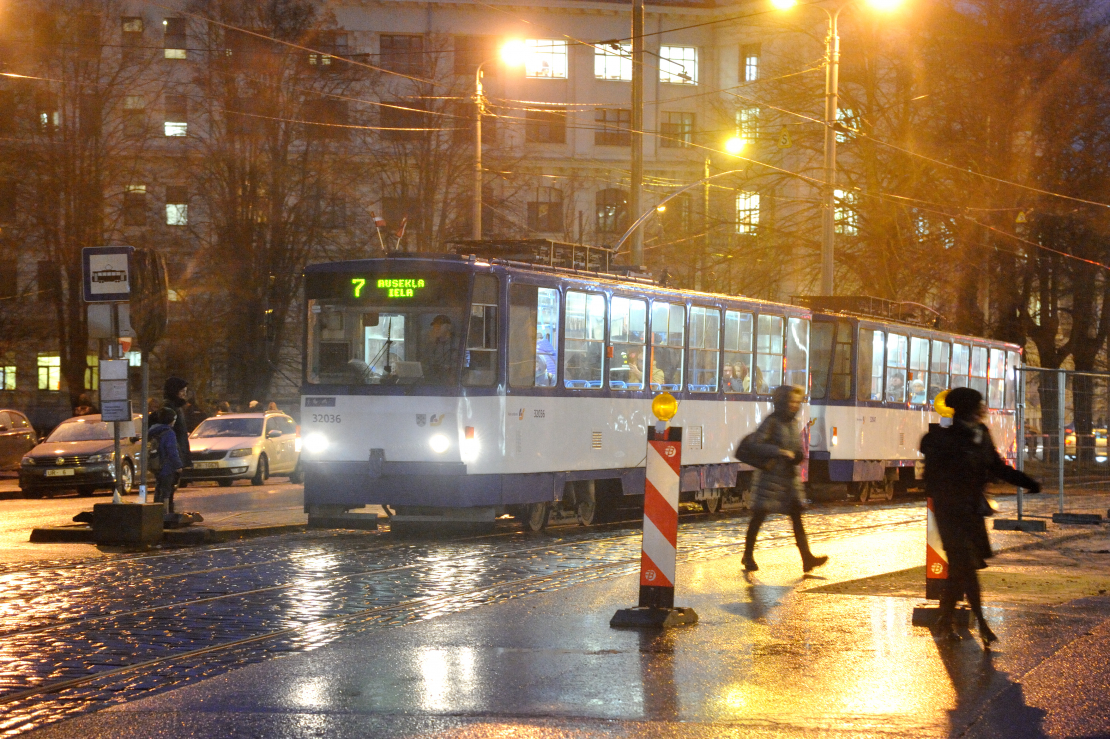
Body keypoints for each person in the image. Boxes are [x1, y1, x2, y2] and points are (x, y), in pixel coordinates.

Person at [920, 387, 1041, 645]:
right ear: (968, 408)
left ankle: (946, 620)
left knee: (961, 567)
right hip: (950, 510)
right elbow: (933, 477)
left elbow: (996, 466)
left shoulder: (979, 434)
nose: (983, 409)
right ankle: (980, 622)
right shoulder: (944, 437)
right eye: (979, 405)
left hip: (970, 509)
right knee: (963, 564)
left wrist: (1027, 481)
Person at [740, 385, 829, 574]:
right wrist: (779, 452)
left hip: (788, 480)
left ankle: (807, 558)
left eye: (797, 402)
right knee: (759, 516)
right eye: (791, 401)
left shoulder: (792, 423)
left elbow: (795, 448)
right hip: (770, 479)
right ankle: (747, 555)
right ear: (782, 402)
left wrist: (797, 455)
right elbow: (756, 444)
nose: (794, 405)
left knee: (796, 517)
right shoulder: (772, 421)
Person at [149, 407, 184, 516]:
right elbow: (172, 451)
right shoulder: (169, 433)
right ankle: (165, 513)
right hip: (167, 466)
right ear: (171, 420)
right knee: (167, 491)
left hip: (157, 465)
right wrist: (178, 465)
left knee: (159, 488)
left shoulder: (154, 431)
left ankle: (155, 513)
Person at [162, 377, 193, 469]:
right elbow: (169, 435)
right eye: (182, 391)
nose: (184, 394)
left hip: (177, 454)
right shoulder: (169, 408)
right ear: (174, 391)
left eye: (185, 391)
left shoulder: (177, 407)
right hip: (172, 456)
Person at [425, 314, 456, 384]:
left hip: (452, 385)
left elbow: (465, 365)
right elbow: (426, 363)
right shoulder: (431, 345)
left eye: (439, 325)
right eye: (435, 326)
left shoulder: (458, 344)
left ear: (449, 327)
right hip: (433, 383)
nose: (436, 328)